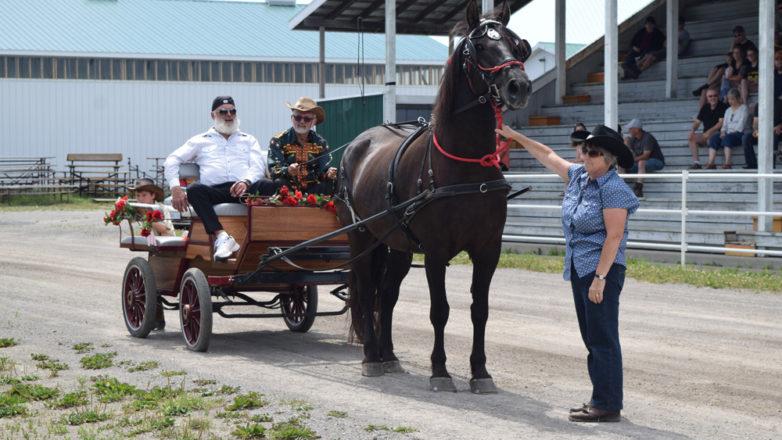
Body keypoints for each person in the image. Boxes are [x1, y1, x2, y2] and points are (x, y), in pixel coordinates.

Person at [496, 123, 638, 423]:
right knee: (592, 337)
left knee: (602, 337)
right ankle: (601, 399)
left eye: (593, 152)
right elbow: (547, 155)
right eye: (585, 150)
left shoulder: (614, 189)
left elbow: (614, 237)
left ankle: (607, 404)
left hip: (602, 271)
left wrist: (600, 278)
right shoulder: (578, 177)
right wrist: (516, 137)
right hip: (580, 267)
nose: (585, 156)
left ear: (609, 159)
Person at [164, 96, 276, 261]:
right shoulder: (200, 140)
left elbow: (258, 167)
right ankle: (222, 236)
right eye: (223, 112)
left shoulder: (248, 139)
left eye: (232, 111)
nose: (229, 115)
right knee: (195, 190)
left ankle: (270, 238)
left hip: (244, 190)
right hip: (215, 192)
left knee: (273, 186)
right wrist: (175, 188)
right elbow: (172, 160)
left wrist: (245, 182)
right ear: (213, 115)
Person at [267, 97, 337, 194]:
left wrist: (329, 173)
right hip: (286, 189)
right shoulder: (278, 140)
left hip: (314, 190)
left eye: (307, 119)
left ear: (313, 122)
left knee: (331, 184)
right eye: (298, 117)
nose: (302, 121)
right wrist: (288, 170)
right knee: (278, 183)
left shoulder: (321, 143)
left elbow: (323, 169)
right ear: (292, 119)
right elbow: (273, 170)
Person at [692, 26, 757, 107]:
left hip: (741, 67)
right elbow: (729, 55)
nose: (737, 37)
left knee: (722, 71)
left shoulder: (749, 45)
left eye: (739, 35)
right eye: (735, 36)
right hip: (733, 66)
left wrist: (729, 77)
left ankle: (710, 87)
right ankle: (702, 111)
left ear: (744, 33)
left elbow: (747, 61)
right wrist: (733, 44)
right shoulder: (735, 44)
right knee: (715, 70)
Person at [707, 88, 748, 169]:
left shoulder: (744, 108)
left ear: (738, 98)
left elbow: (741, 124)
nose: (730, 101)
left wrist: (729, 133)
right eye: (729, 99)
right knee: (714, 138)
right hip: (727, 133)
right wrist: (722, 131)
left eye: (732, 99)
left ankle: (727, 163)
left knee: (727, 138)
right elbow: (724, 124)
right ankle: (711, 163)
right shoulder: (728, 110)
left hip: (739, 133)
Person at [623, 119, 665, 198]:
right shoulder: (633, 139)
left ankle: (638, 188)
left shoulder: (647, 137)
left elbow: (646, 156)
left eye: (630, 128)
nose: (629, 130)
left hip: (656, 161)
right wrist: (627, 145)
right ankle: (620, 188)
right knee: (622, 164)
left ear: (637, 129)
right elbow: (630, 155)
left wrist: (632, 160)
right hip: (640, 163)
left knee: (641, 162)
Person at [688, 89, 728, 169]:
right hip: (706, 135)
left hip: (720, 134)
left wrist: (709, 132)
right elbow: (697, 122)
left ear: (718, 96)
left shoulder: (723, 106)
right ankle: (697, 163)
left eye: (715, 95)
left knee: (711, 137)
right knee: (691, 137)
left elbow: (720, 123)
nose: (713, 98)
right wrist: (693, 130)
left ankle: (711, 163)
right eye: (710, 96)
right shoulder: (705, 107)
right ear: (707, 98)